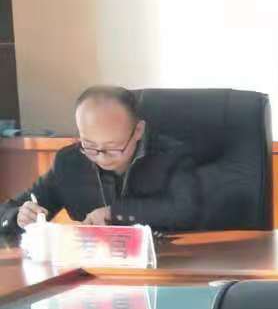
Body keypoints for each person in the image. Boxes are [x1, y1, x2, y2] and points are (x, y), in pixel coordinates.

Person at [0, 85, 200, 233]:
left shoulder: (171, 155)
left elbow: (186, 210)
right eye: (89, 145)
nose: (101, 157)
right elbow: (7, 210)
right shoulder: (69, 161)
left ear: (138, 130)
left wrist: (115, 213)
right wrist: (19, 216)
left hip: (163, 263)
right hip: (94, 268)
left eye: (113, 147)